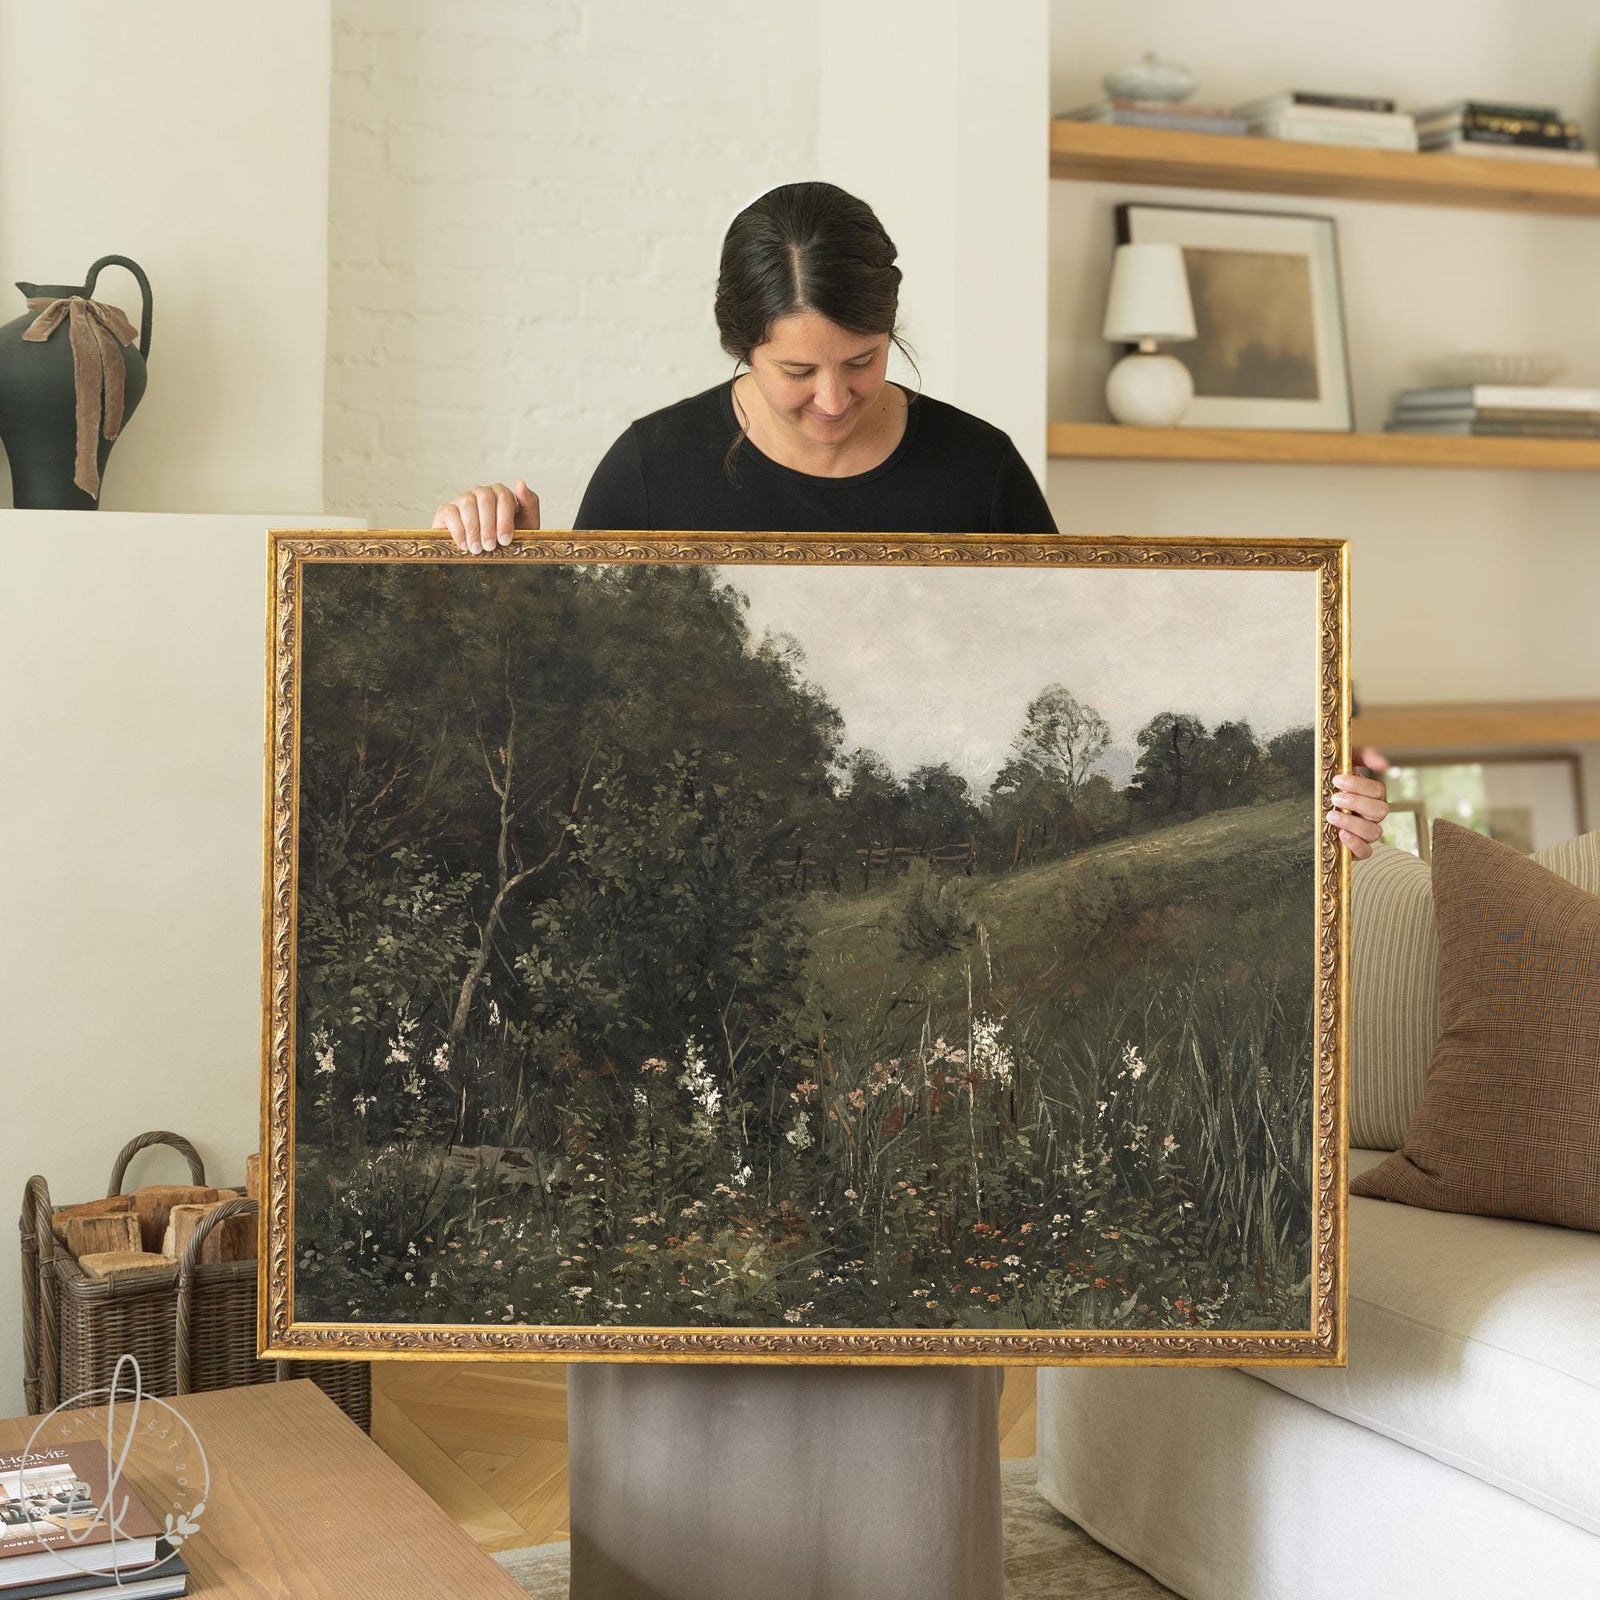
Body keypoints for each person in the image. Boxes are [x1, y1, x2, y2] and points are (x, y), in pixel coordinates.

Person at [434, 181, 1389, 1600]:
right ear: (739, 347)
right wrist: (484, 560)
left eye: (863, 363)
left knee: (914, 1237)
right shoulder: (647, 471)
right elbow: (571, 725)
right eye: (795, 372)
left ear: (893, 330)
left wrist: (1327, 795)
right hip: (688, 941)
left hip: (876, 1026)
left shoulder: (976, 469)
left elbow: (1089, 660)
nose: (832, 400)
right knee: (680, 1237)